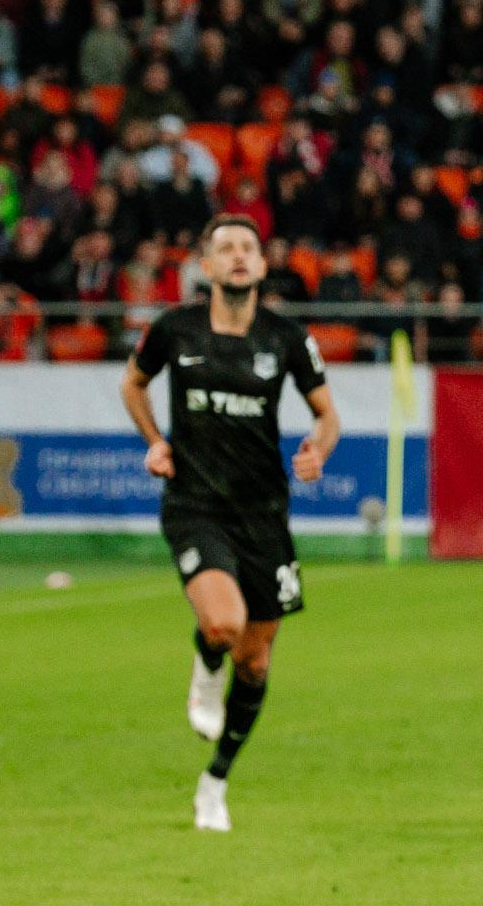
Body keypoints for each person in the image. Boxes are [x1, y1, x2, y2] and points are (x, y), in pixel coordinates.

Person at [120, 214, 340, 834]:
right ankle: (204, 665)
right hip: (194, 501)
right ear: (207, 266)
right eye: (226, 248)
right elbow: (133, 386)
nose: (238, 256)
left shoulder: (285, 338)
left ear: (263, 266)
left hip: (264, 511)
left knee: (258, 659)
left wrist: (317, 449)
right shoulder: (173, 329)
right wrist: (155, 441)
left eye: (249, 247)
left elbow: (327, 414)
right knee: (223, 623)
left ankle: (215, 780)